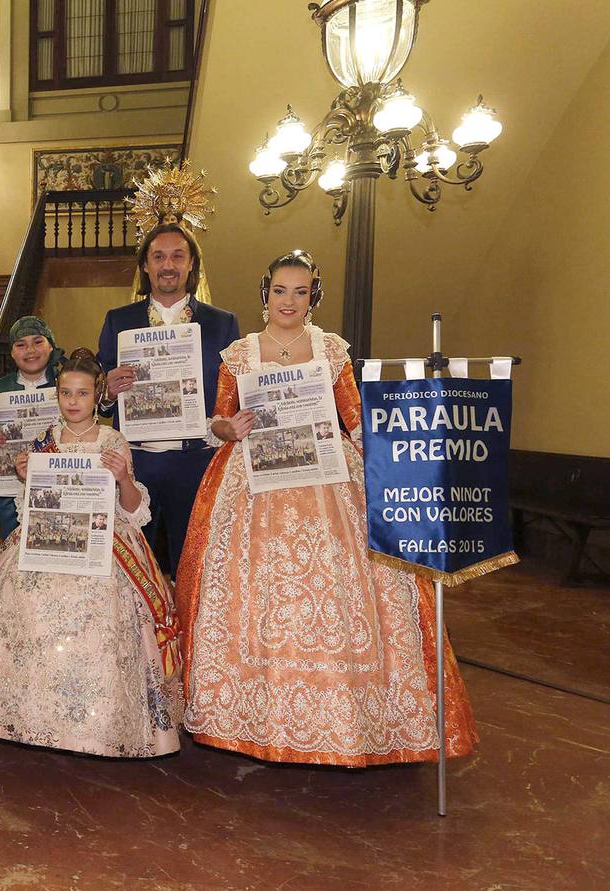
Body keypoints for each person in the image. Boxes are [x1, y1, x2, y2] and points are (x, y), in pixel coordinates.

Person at [177, 250, 478, 766]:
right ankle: (249, 713)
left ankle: (350, 717)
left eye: (300, 291)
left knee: (342, 586)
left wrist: (390, 468)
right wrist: (230, 428)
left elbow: (355, 419)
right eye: (279, 291)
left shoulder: (331, 350)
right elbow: (217, 421)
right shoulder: (239, 354)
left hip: (329, 479)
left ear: (311, 297)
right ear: (264, 294)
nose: (288, 301)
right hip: (254, 480)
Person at [0, 350, 183, 757]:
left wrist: (122, 478)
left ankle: (93, 723)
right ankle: (28, 716)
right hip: (49, 539)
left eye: (82, 393)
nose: (72, 401)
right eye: (65, 392)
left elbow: (135, 509)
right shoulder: (45, 440)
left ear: (96, 395)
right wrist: (25, 474)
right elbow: (33, 505)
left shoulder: (112, 440)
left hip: (104, 542)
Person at [97, 223, 240, 579]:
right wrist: (107, 392)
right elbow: (99, 398)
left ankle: (188, 634)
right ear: (145, 265)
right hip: (134, 463)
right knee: (128, 567)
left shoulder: (222, 323)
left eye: (178, 256)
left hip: (195, 462)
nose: (168, 265)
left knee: (194, 567)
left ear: (192, 264)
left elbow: (230, 395)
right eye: (158, 256)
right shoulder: (118, 320)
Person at [0, 316, 64, 541]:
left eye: (38, 342)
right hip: (12, 494)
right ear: (12, 353)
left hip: (60, 487)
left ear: (51, 345)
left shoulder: (67, 384)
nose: (30, 350)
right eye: (21, 344)